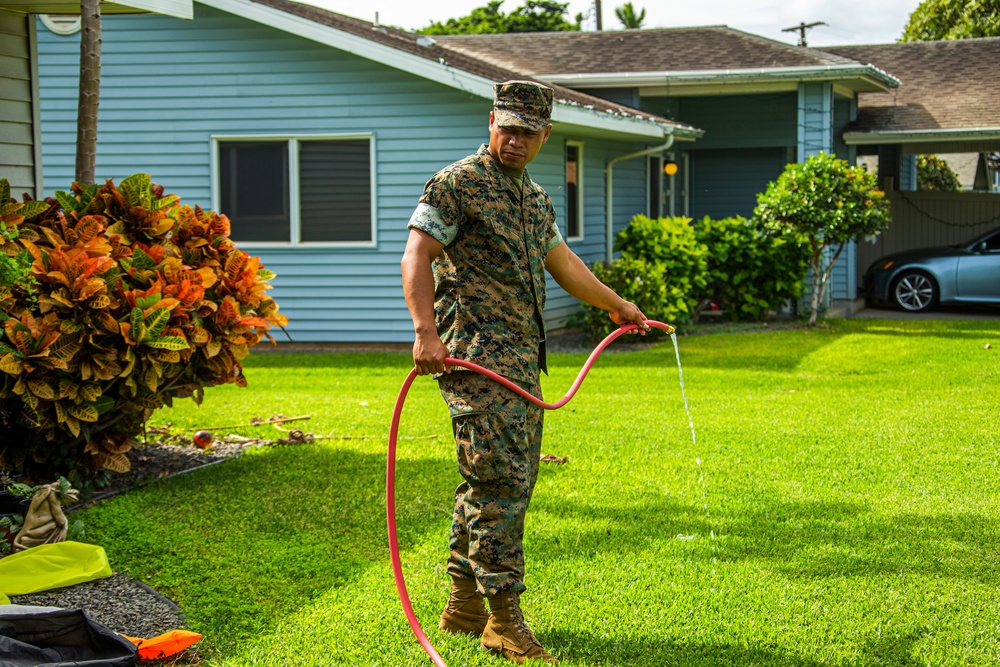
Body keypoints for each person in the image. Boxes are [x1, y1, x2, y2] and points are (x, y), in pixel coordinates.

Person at [400, 80, 648, 665]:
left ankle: (464, 605)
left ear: (545, 135)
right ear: (491, 122)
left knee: (490, 479)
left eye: (527, 132)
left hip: (520, 362)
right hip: (473, 357)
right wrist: (425, 333)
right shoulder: (456, 183)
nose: (515, 140)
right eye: (507, 128)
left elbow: (563, 262)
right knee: (502, 485)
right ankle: (503, 620)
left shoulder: (533, 197)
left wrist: (616, 304)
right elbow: (417, 255)